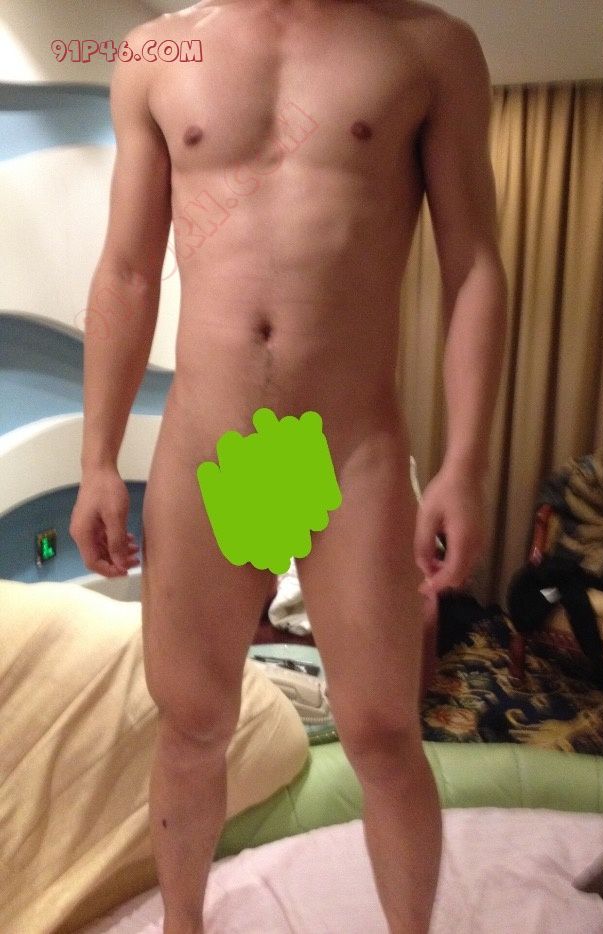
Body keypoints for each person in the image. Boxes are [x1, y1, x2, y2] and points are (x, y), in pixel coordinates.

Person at [70, 1, 508, 931]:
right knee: (193, 725)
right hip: (215, 446)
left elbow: (473, 264)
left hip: (348, 452)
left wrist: (465, 464)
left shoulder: (428, 46)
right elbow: (128, 271)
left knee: (383, 733)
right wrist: (97, 457)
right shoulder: (160, 51)